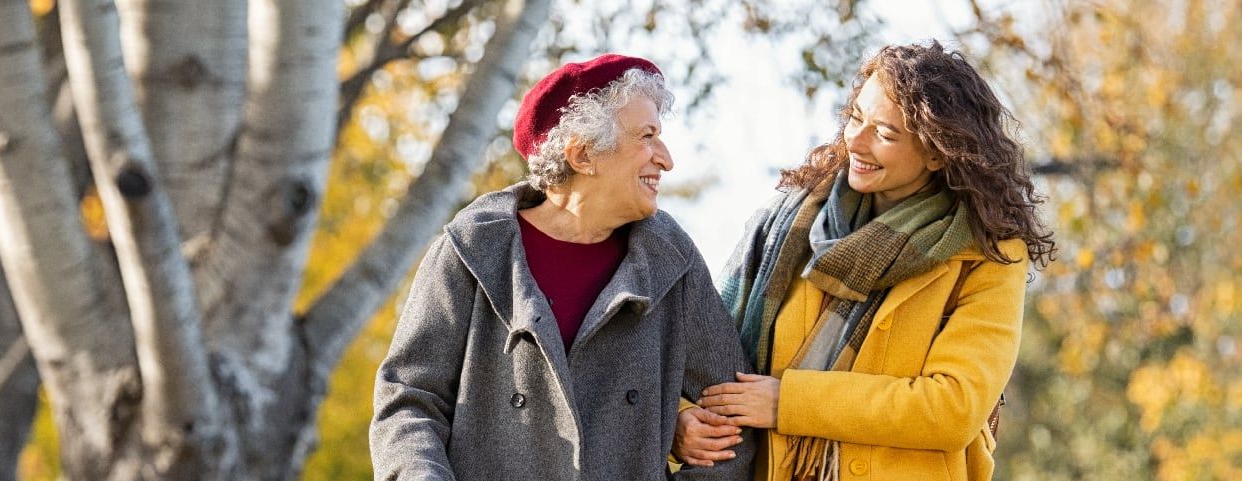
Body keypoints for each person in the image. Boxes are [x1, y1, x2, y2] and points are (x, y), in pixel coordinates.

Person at [672, 41, 1057, 480]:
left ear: (937, 152)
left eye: (885, 134)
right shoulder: (789, 228)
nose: (855, 140)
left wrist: (788, 403)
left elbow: (953, 407)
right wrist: (681, 421)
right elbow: (704, 354)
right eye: (856, 117)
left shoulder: (987, 256)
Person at [371, 54, 755, 481]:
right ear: (583, 154)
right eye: (647, 137)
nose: (666, 160)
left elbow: (735, 412)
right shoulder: (471, 251)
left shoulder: (671, 260)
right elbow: (409, 401)